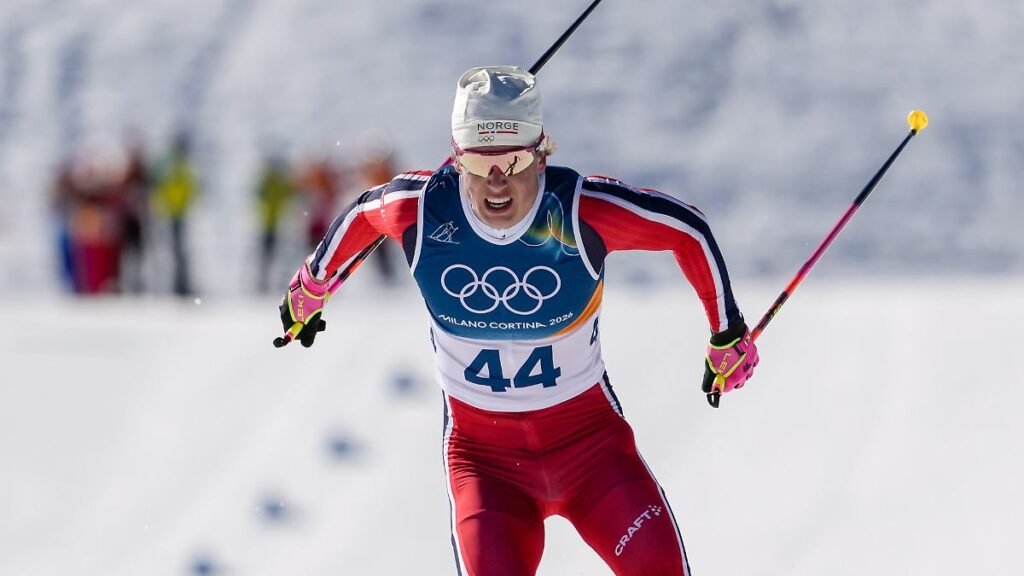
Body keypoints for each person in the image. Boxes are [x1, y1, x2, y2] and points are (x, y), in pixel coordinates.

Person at [275, 66, 759, 576]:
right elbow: (363, 213)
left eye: (513, 159)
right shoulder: (423, 211)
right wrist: (311, 284)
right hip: (486, 467)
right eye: (480, 164)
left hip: (593, 453)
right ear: (457, 158)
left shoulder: (577, 212)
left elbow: (686, 228)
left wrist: (726, 331)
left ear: (542, 153)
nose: (497, 181)